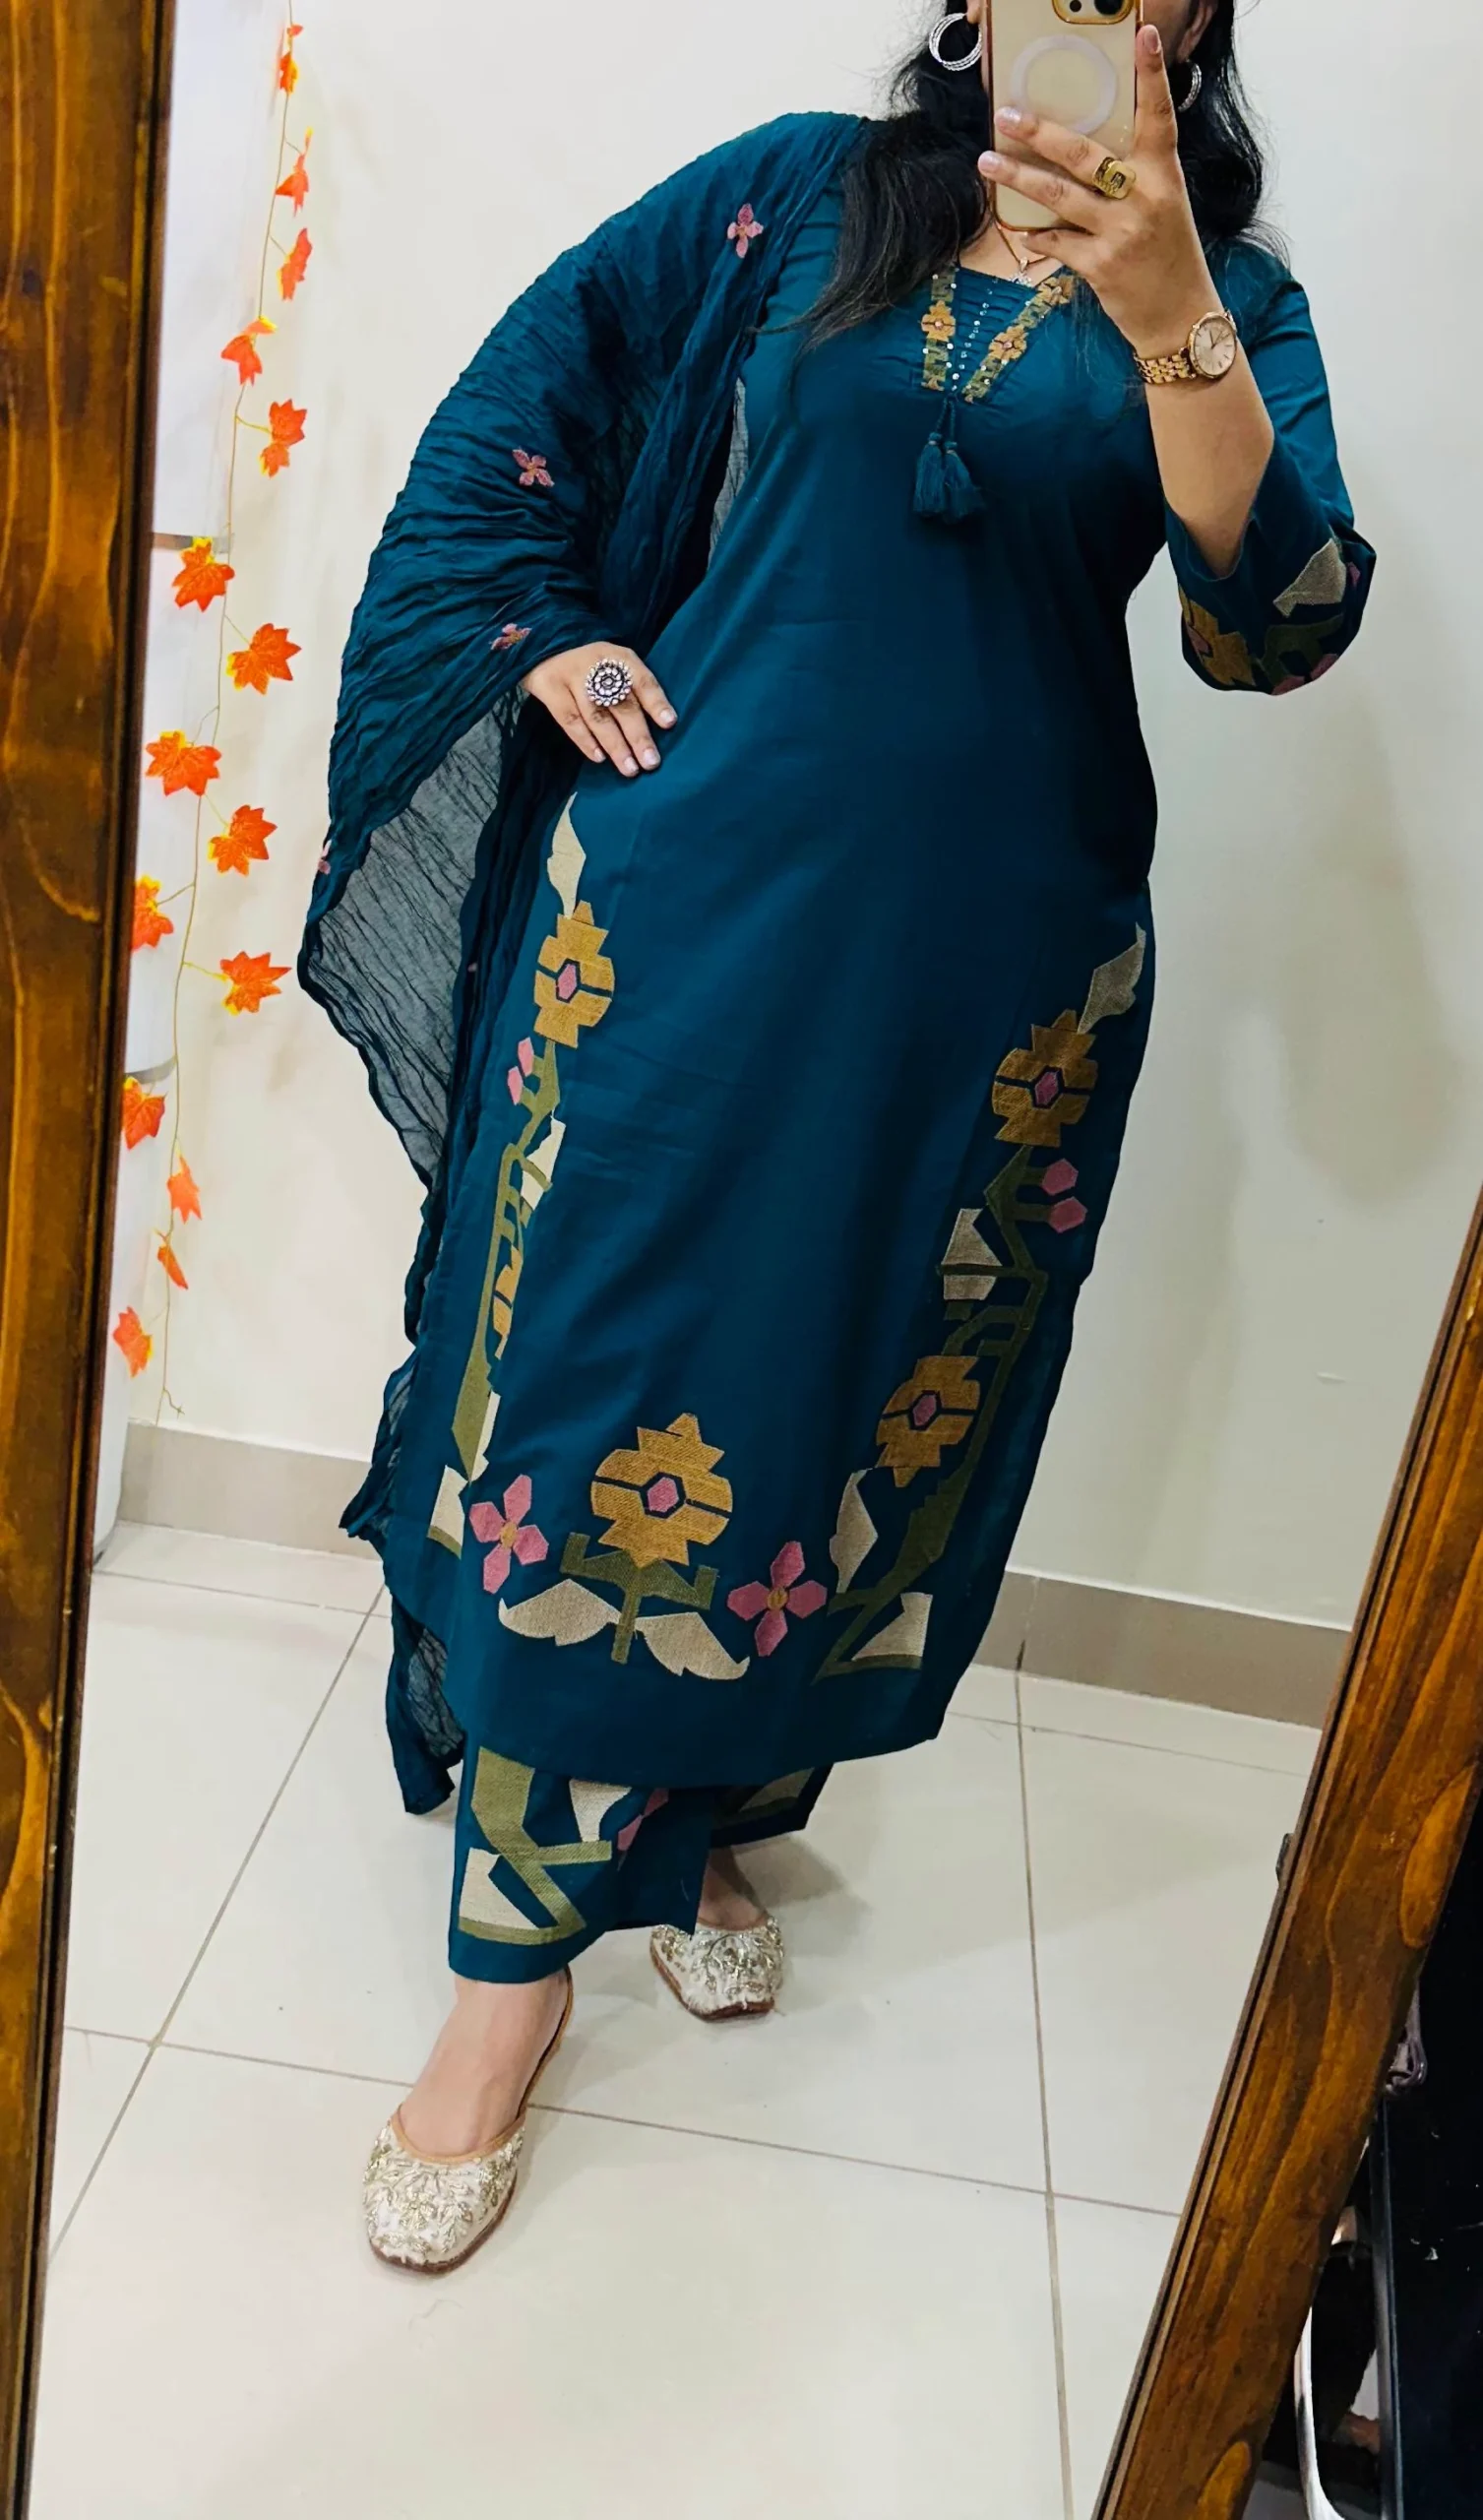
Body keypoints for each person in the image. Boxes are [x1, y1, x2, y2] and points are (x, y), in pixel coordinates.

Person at [303, 0, 1374, 2272]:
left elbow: (1275, 630)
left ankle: (690, 1816)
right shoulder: (800, 196)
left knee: (834, 1399)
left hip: (989, 977)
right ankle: (507, 1985)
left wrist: (1174, 318)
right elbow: (530, 403)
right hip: (679, 924)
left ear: (1195, 19)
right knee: (585, 1393)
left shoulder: (1231, 301)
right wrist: (543, 628)